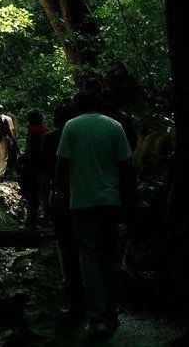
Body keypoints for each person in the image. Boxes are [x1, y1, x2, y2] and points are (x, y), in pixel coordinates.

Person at [56, 89, 135, 338]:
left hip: (81, 202)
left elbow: (62, 165)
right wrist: (129, 200)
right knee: (110, 256)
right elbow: (126, 166)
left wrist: (60, 194)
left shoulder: (71, 126)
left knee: (89, 257)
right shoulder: (115, 126)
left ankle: (98, 318)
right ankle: (112, 314)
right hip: (110, 201)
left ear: (79, 106)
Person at [41, 99, 83, 318]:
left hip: (60, 196)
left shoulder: (50, 138)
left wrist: (45, 203)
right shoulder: (80, 135)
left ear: (56, 119)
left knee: (66, 249)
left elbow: (46, 174)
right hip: (83, 193)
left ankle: (73, 299)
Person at [20, 109, 48, 231]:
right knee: (44, 194)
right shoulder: (46, 130)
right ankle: (46, 218)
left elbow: (29, 150)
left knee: (32, 195)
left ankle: (31, 221)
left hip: (32, 166)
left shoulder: (31, 130)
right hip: (44, 166)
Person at [0, 103, 16, 181]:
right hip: (3, 139)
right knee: (3, 157)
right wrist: (14, 138)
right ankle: (0, 174)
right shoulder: (7, 118)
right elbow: (12, 130)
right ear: (2, 110)